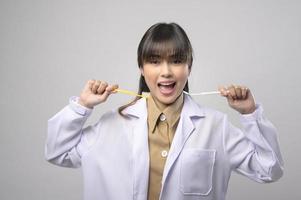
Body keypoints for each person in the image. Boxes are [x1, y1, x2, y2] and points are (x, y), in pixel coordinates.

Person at [45, 22, 284, 200]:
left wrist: (250, 113)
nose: (166, 72)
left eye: (177, 61)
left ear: (189, 67)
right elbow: (58, 152)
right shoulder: (111, 125)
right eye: (155, 61)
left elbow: (269, 169)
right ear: (141, 67)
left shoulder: (215, 127)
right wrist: (82, 106)